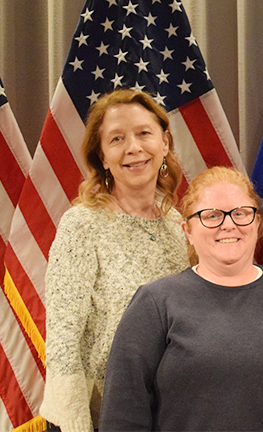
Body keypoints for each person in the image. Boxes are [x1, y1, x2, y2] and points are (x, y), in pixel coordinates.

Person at [99, 166, 263, 431]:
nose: (229, 224)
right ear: (188, 231)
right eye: (212, 215)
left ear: (257, 223)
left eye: (240, 213)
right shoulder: (155, 304)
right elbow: (122, 419)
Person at [39, 89, 188, 432]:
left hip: (170, 414)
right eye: (117, 139)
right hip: (99, 417)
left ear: (164, 143)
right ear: (102, 157)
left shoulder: (178, 228)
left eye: (144, 134)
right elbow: (63, 340)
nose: (133, 147)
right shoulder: (82, 225)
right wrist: (74, 423)